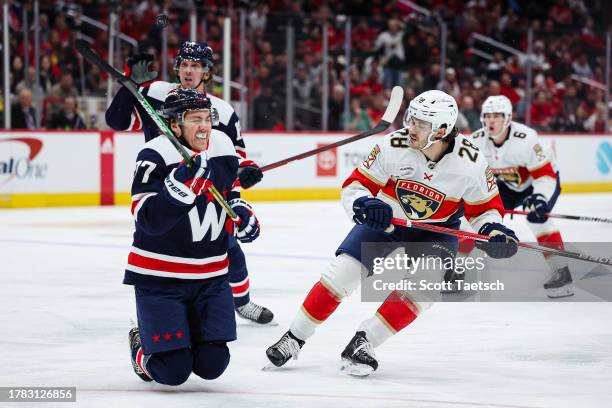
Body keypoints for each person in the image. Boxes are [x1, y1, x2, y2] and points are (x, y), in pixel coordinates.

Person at [265, 90, 518, 376]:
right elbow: (354, 186)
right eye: (412, 119)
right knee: (341, 273)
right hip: (387, 221)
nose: (411, 127)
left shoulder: (470, 162)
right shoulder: (393, 145)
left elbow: (485, 210)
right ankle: (295, 337)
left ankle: (364, 342)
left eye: (422, 124)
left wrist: (494, 232)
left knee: (425, 288)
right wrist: (365, 203)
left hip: (437, 230)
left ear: (443, 130)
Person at [105, 41, 273, 324]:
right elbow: (117, 121)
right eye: (183, 64)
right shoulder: (155, 93)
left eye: (195, 65)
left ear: (207, 72)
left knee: (228, 245)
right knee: (163, 247)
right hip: (165, 185)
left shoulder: (223, 111)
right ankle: (155, 316)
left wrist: (247, 172)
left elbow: (236, 158)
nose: (188, 70)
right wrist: (129, 85)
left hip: (208, 189)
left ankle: (241, 301)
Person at [127, 88, 261, 385]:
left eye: (207, 119)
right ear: (175, 125)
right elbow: (146, 219)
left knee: (214, 364)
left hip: (210, 277)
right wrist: (179, 188)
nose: (204, 127)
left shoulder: (223, 145)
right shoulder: (155, 154)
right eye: (195, 120)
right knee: (171, 371)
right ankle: (140, 344)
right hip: (160, 277)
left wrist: (244, 215)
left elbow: (232, 195)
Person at [463, 95, 573, 298]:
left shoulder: (526, 139)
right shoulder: (476, 141)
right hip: (507, 185)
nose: (491, 121)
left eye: (497, 115)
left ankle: (562, 272)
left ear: (508, 118)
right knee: (475, 219)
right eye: (487, 116)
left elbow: (545, 175)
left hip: (539, 183)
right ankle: (457, 270)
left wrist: (539, 198)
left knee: (538, 221)